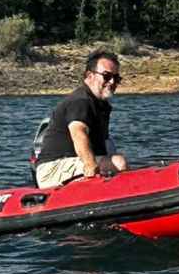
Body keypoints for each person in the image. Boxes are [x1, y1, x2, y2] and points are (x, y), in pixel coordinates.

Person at [34, 49, 129, 188]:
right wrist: (91, 169)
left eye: (117, 78)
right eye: (107, 76)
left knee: (114, 155)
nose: (112, 82)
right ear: (89, 75)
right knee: (119, 163)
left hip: (72, 163)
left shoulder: (102, 106)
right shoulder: (81, 101)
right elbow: (79, 133)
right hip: (52, 169)